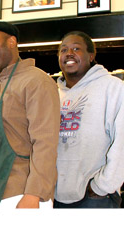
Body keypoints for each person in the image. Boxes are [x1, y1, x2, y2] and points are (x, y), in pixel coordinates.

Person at [0, 21, 60, 212]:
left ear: (12, 42)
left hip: (20, 196)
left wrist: (34, 194)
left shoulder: (36, 81)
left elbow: (46, 142)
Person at [54, 31, 124, 208]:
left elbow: (122, 142)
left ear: (91, 56)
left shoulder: (113, 87)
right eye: (63, 50)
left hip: (95, 197)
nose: (69, 53)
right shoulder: (52, 93)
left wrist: (102, 186)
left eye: (76, 48)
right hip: (55, 196)